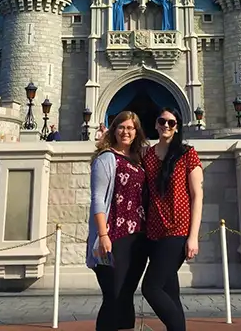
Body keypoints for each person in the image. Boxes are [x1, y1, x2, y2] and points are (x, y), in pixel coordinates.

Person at [141, 107, 203, 331]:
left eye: (171, 123)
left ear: (177, 127)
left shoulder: (187, 154)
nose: (166, 126)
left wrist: (193, 237)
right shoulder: (147, 156)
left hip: (177, 232)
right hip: (153, 232)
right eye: (162, 121)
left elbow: (197, 196)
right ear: (156, 124)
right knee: (169, 292)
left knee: (151, 288)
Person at [87, 111, 149, 331]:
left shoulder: (139, 160)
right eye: (121, 127)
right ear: (113, 129)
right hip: (113, 236)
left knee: (126, 294)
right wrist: (102, 235)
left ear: (137, 132)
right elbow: (97, 198)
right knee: (112, 295)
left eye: (131, 128)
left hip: (137, 238)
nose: (126, 132)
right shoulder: (106, 158)